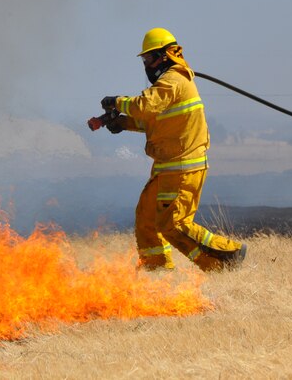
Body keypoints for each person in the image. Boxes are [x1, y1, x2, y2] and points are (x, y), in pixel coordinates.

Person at [101, 27, 247, 271]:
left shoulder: (173, 80)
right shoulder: (169, 83)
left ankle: (227, 254)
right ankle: (156, 271)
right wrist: (121, 122)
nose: (146, 64)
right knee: (147, 219)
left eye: (148, 58)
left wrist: (117, 102)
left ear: (164, 56)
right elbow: (153, 119)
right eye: (144, 60)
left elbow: (145, 105)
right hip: (166, 168)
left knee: (174, 225)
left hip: (182, 168)